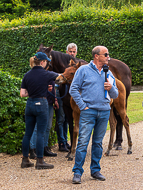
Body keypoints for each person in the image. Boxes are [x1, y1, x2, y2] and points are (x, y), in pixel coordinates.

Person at [69, 45, 118, 183]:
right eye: (106, 54)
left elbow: (115, 94)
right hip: (88, 112)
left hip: (104, 112)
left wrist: (111, 88)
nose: (108, 57)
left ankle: (95, 171)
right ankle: (77, 172)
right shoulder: (83, 70)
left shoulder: (108, 72)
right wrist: (83, 106)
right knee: (83, 142)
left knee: (97, 143)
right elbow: (73, 89)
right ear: (96, 56)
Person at [20, 52, 59, 169]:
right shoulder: (47, 74)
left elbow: (23, 94)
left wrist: (34, 91)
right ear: (42, 62)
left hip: (30, 104)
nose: (46, 63)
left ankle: (25, 160)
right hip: (41, 104)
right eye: (46, 61)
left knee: (28, 133)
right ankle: (40, 161)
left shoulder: (26, 75)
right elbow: (61, 77)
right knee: (41, 133)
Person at [56, 43, 77, 152]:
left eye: (74, 52)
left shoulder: (77, 64)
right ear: (66, 52)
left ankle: (70, 142)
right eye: (70, 51)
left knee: (68, 120)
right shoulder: (63, 63)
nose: (72, 53)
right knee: (62, 119)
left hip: (73, 97)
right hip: (63, 94)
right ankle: (62, 142)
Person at [29, 80, 59, 159]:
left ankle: (44, 148)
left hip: (50, 103)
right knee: (37, 127)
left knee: (48, 127)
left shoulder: (50, 75)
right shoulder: (40, 75)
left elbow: (53, 89)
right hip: (41, 102)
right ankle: (33, 149)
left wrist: (55, 100)